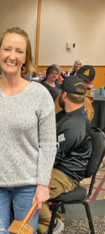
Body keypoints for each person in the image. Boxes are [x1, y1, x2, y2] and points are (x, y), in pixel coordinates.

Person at [0, 27, 57, 234]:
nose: (12, 56)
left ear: (26, 58)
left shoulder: (40, 95)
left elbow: (49, 144)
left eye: (19, 51)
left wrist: (43, 184)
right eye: (7, 49)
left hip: (29, 185)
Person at [38, 76, 92, 234]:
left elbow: (53, 158)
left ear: (65, 95)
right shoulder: (66, 115)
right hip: (59, 166)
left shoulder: (74, 125)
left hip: (66, 174)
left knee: (27, 187)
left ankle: (52, 224)